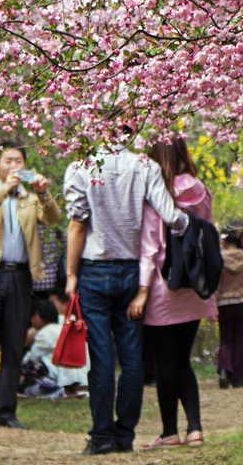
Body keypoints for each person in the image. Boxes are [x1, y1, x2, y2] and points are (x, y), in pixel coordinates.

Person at [64, 123, 189, 456]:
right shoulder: (145, 165)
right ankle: (125, 435)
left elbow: (77, 223)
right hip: (133, 273)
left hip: (94, 271)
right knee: (132, 358)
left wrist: (70, 273)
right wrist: (189, 225)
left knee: (102, 357)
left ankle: (101, 435)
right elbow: (169, 215)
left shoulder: (81, 166)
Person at [0, 140, 60, 431]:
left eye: (19, 161)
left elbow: (53, 218)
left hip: (20, 277)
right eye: (8, 161)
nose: (14, 166)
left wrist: (44, 193)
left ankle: (6, 412)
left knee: (14, 345)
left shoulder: (30, 199)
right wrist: (3, 189)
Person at [138, 136, 216, 449]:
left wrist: (142, 289)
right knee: (183, 359)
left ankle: (170, 430)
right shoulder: (199, 189)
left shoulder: (158, 191)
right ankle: (195, 428)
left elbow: (150, 245)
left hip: (161, 286)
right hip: (195, 286)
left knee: (165, 362)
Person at [21, 301, 88, 398]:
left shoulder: (45, 332)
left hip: (61, 378)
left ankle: (50, 390)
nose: (32, 320)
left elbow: (32, 357)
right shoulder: (60, 328)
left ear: (44, 316)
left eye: (34, 316)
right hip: (77, 377)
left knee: (25, 366)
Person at [216, 220, 243, 390]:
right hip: (242, 301)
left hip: (224, 302)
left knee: (225, 339)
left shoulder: (219, 257)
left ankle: (224, 370)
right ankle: (238, 376)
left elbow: (216, 284)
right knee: (239, 339)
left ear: (224, 241)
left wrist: (213, 305)